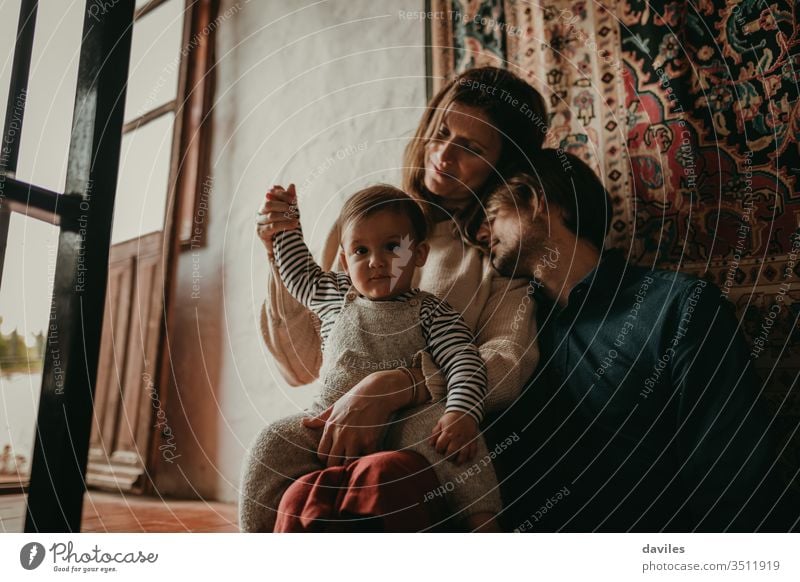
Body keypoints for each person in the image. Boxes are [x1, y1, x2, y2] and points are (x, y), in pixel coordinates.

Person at [242, 66, 549, 532]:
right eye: (441, 132)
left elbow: (506, 365)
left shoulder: (499, 256)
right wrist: (278, 250)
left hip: (419, 445)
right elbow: (299, 365)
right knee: (290, 481)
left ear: (502, 166)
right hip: (332, 431)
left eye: (471, 148)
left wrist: (400, 386)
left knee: (381, 478)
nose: (444, 156)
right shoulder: (364, 222)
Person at [478, 149, 778, 531]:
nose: (481, 235)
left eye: (492, 216)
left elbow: (733, 478)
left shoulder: (678, 308)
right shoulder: (511, 333)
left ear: (536, 201)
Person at [243, 183, 504, 532]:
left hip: (406, 423)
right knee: (271, 441)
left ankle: (484, 524)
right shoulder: (334, 293)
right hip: (328, 420)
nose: (376, 261)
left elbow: (463, 361)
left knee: (453, 441)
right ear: (343, 261)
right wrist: (286, 229)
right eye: (361, 250)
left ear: (420, 254)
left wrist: (462, 412)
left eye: (392, 247)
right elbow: (298, 273)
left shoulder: (432, 312)